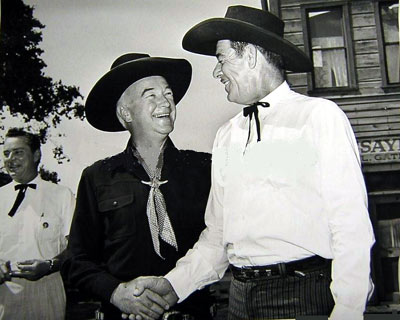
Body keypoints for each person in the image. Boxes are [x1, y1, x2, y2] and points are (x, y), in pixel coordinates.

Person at [131, 6, 375, 320]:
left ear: (251, 57)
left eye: (221, 58)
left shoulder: (318, 117)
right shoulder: (226, 136)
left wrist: (349, 310)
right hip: (239, 301)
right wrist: (173, 285)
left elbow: (350, 225)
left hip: (301, 298)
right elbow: (217, 236)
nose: (217, 72)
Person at [61, 53, 213, 320]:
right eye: (150, 95)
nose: (165, 101)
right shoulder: (97, 177)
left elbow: (220, 240)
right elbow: (76, 259)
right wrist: (116, 293)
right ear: (125, 113)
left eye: (168, 93)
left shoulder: (204, 168)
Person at [0, 127, 75, 320]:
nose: (10, 159)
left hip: (47, 289)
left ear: (36, 155)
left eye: (18, 152)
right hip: (3, 292)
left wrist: (50, 265)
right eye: (6, 153)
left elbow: (77, 247)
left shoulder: (62, 196)